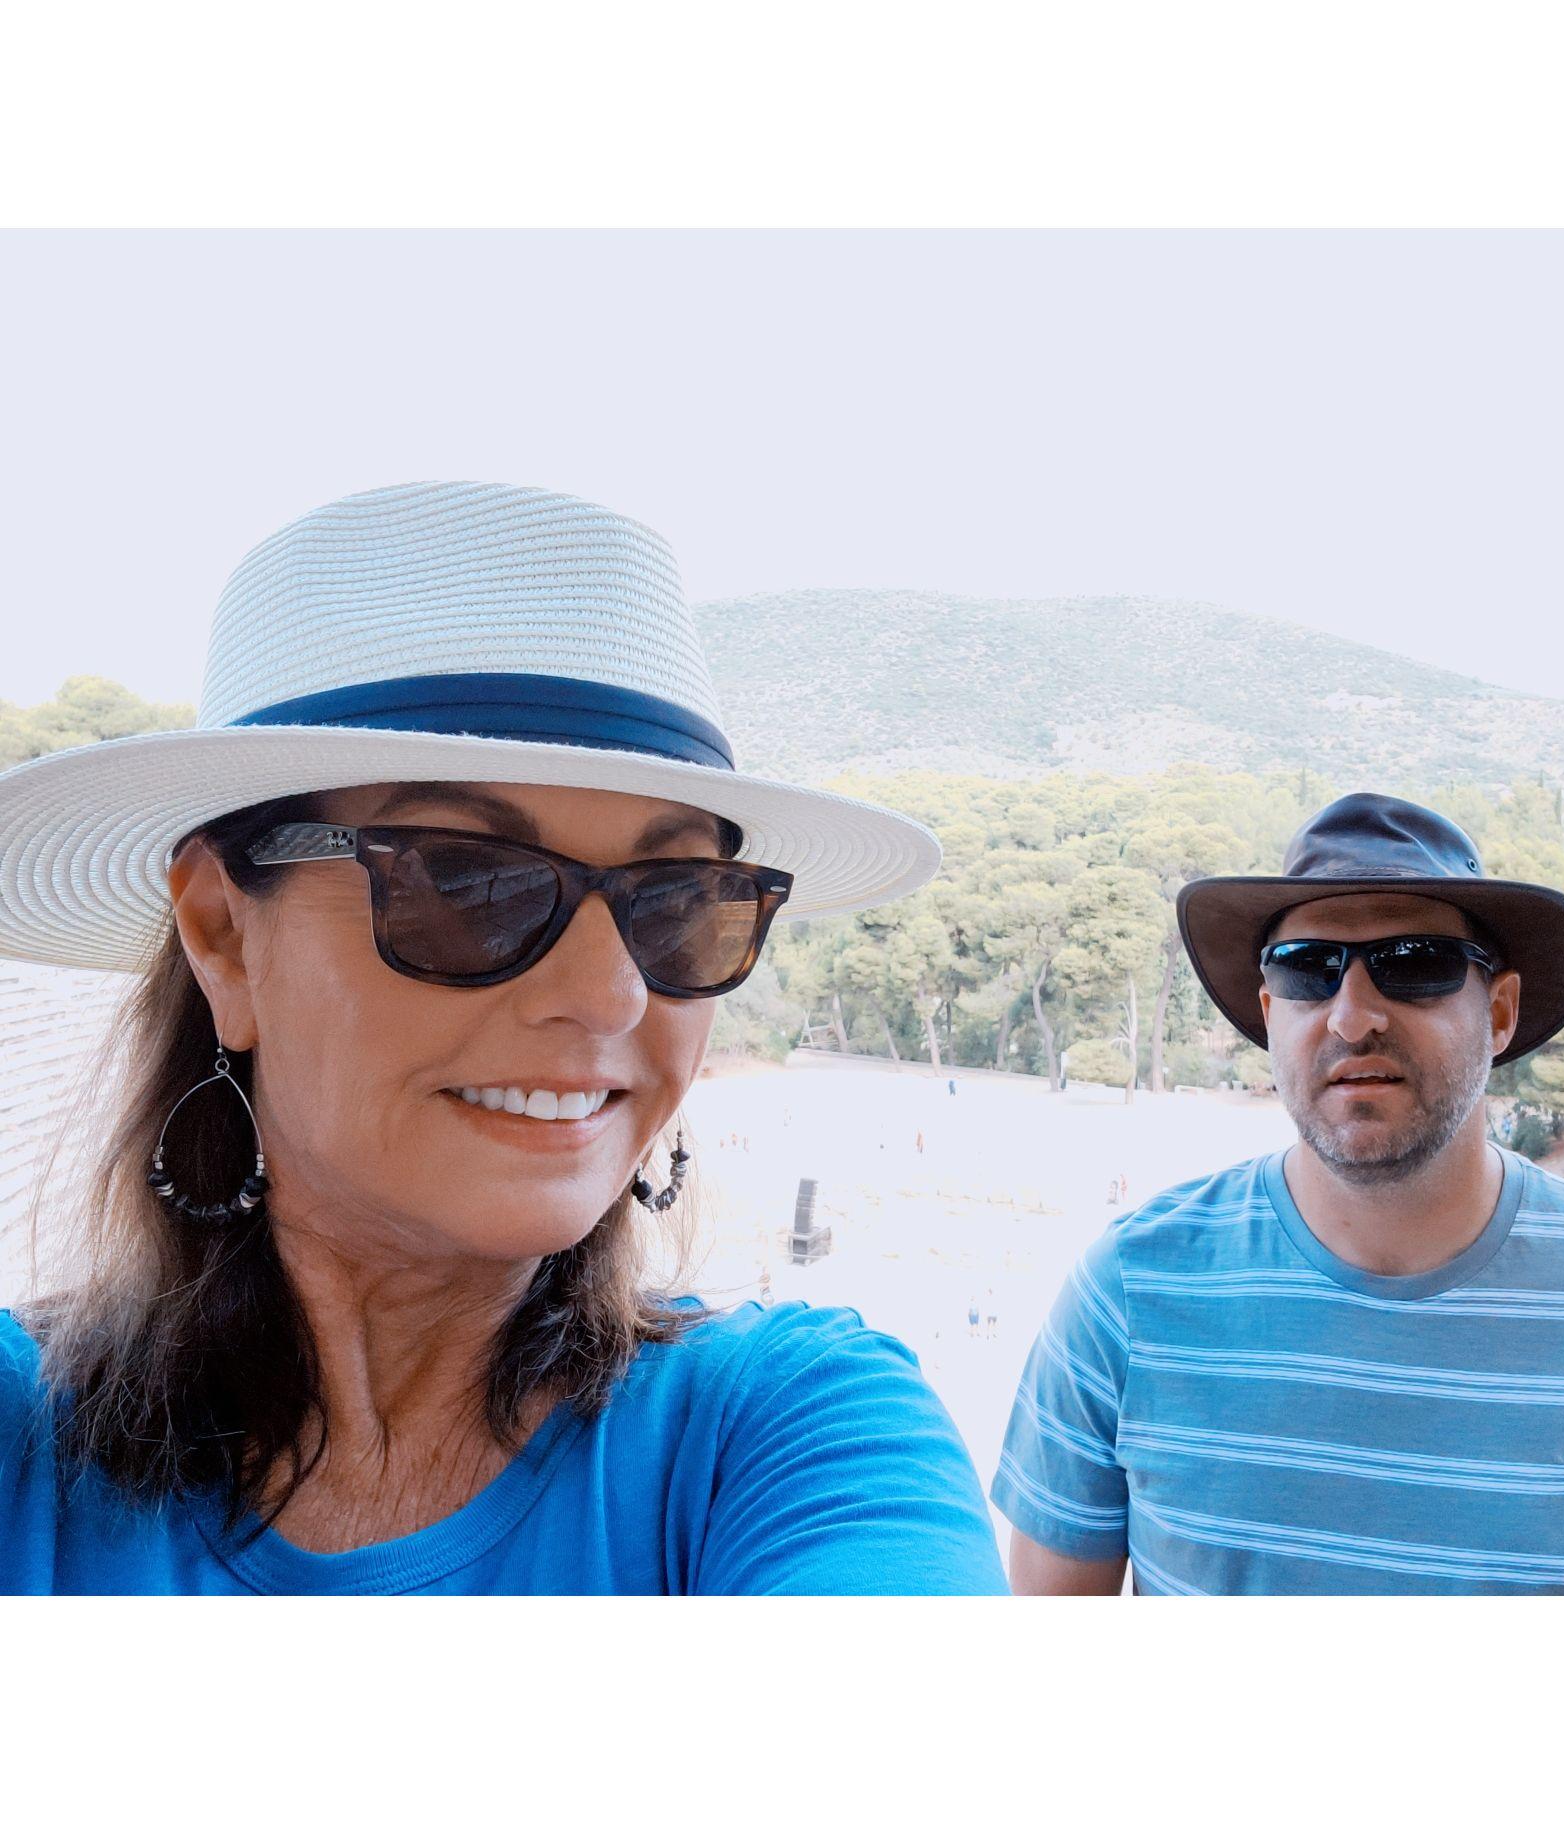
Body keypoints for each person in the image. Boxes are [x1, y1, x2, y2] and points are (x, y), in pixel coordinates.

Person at [0, 481, 1006, 1596]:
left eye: (678, 899)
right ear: (225, 935)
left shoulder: (796, 1437)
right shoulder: (20, 1449)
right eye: (467, 882)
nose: (611, 997)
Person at [995, 792, 1564, 1595]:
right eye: (1308, 969)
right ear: (1269, 1011)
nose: (1352, 1016)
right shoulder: (1128, 1294)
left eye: (1416, 964)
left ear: (1500, 1013)